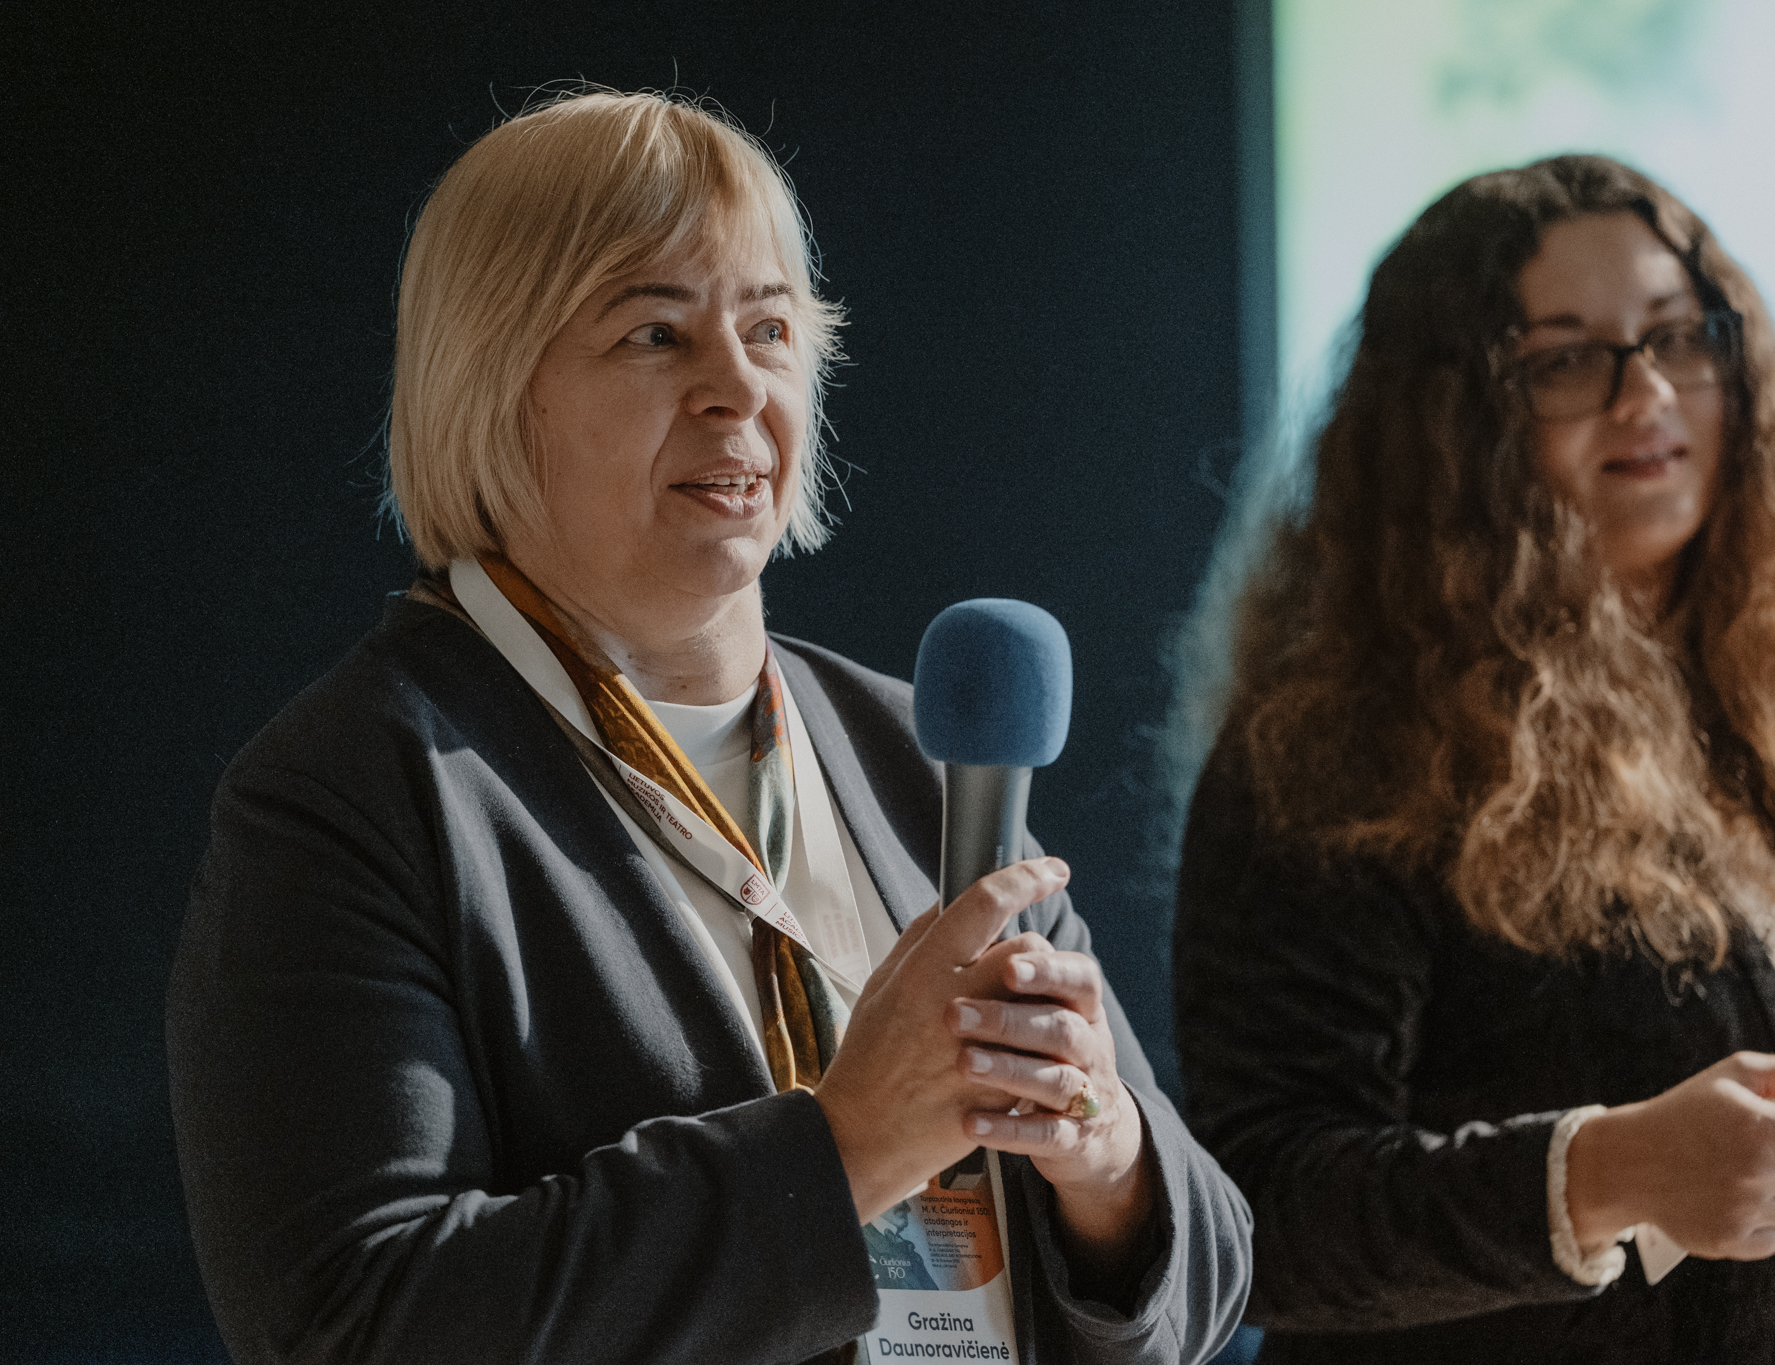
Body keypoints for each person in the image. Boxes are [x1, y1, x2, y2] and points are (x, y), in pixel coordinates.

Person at [167, 88, 1250, 1365]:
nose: (737, 387)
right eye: (654, 334)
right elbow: (357, 1324)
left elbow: (1210, 1274)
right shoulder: (353, 794)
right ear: (494, 388)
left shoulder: (920, 754)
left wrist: (1104, 1156)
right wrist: (846, 1149)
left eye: (771, 329)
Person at [1173, 154, 1775, 1363]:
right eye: (1565, 360)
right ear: (1447, 425)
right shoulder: (1335, 758)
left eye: (1680, 337)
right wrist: (1600, 1173)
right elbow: (1254, 1217)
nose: (1646, 394)